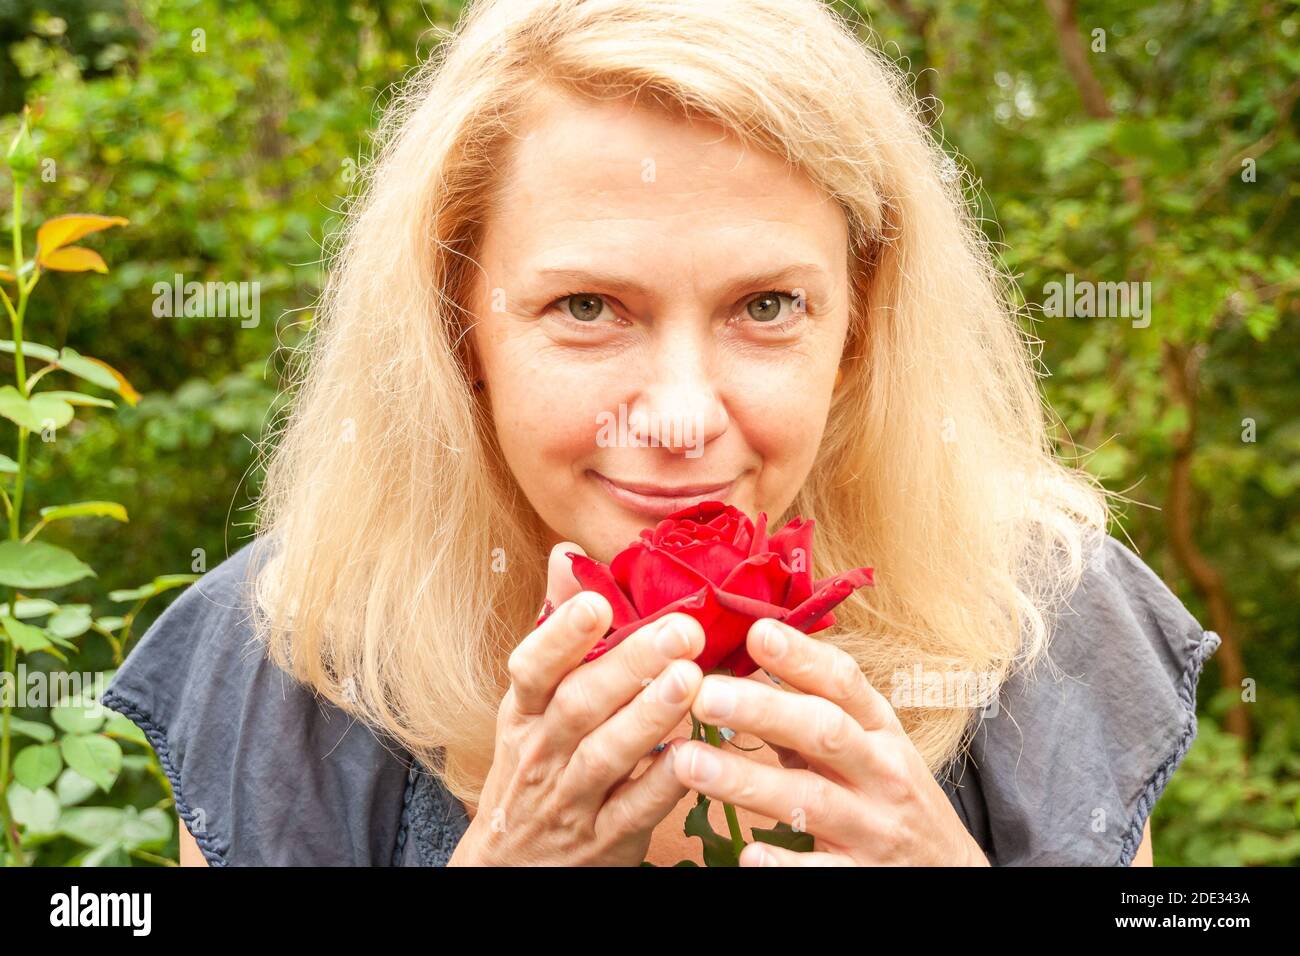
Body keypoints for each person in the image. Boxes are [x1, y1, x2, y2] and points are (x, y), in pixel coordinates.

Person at [101, 0, 1221, 867]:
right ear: (459, 326)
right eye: (587, 308)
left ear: (861, 324)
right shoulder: (284, 657)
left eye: (766, 307)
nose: (681, 416)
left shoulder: (1047, 619)